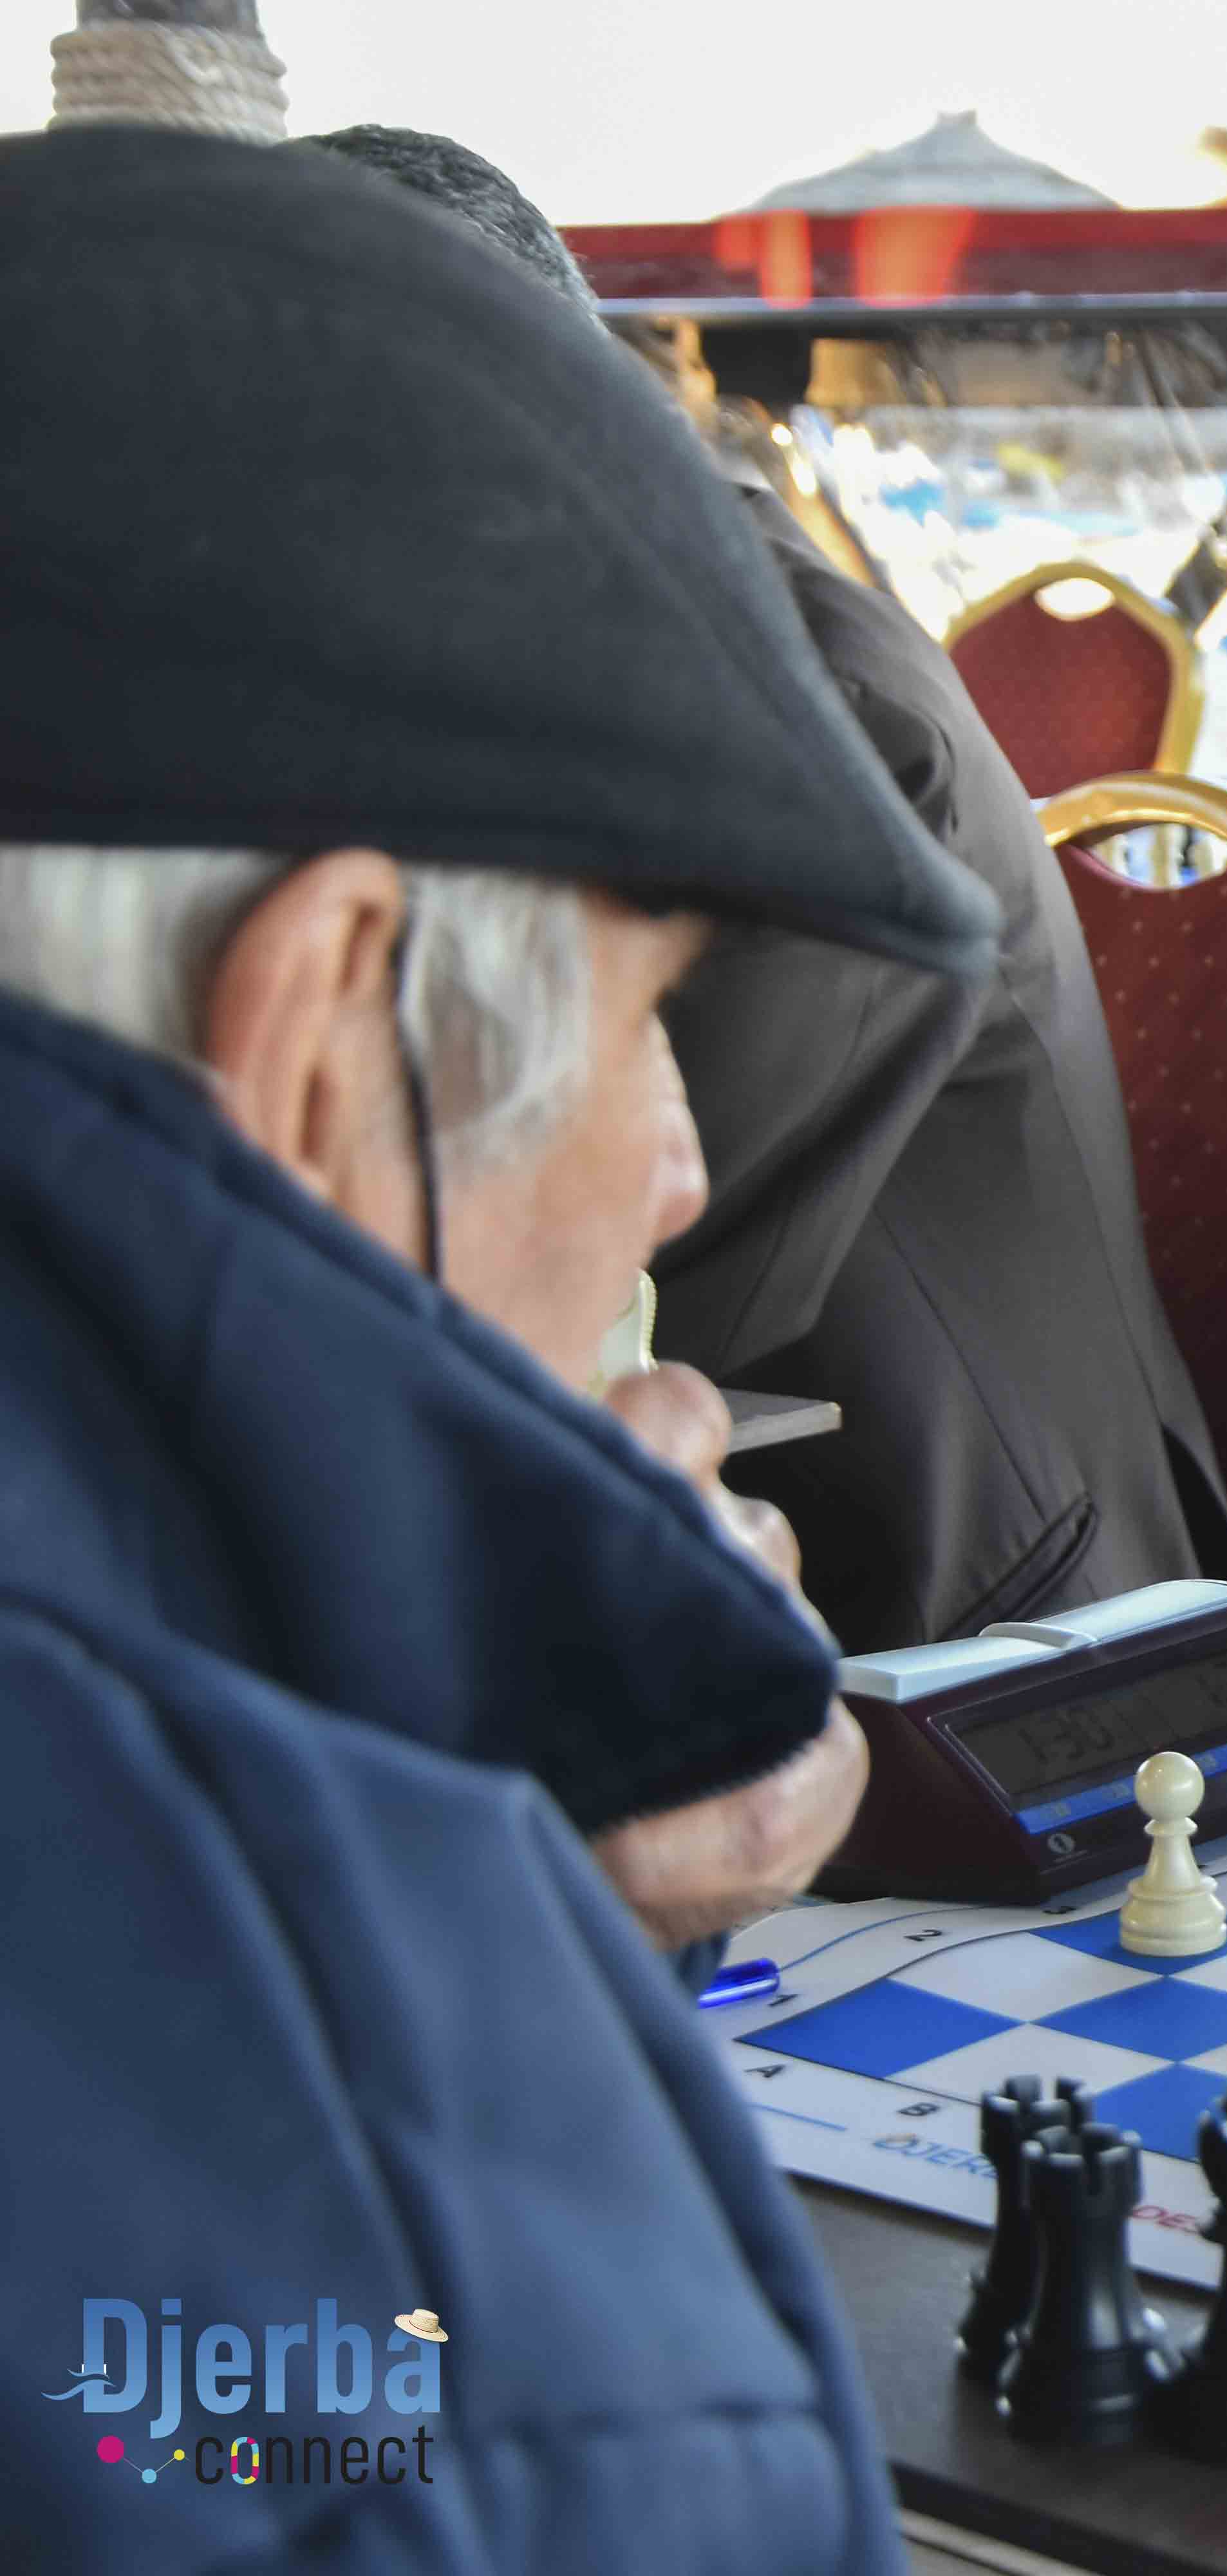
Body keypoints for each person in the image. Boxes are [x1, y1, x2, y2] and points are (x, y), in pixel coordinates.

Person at [0, 130, 999, 2570]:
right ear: (325, 1026)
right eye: (648, 1006)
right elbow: (326, 2429)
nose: (676, 1158)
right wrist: (457, 1952)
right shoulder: (386, 2219)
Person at [297, 123, 1227, 1656]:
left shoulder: (801, 703)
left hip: (979, 1603)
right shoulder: (599, 652)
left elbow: (636, 1240)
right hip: (747, 1513)